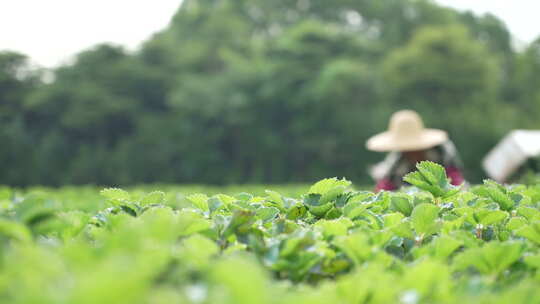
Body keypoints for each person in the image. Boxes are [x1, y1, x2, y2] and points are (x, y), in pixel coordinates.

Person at [366, 110, 465, 191]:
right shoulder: (398, 159)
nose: (411, 152)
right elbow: (385, 185)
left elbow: (455, 179)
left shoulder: (441, 151)